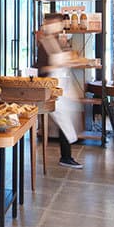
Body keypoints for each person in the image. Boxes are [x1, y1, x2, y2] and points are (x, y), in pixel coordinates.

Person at [36, 13, 81, 168]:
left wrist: (71, 61)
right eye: (54, 22)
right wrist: (55, 66)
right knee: (64, 121)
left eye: (59, 22)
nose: (57, 25)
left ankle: (66, 156)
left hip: (64, 88)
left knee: (67, 121)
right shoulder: (44, 44)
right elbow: (40, 70)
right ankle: (66, 156)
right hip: (53, 90)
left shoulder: (58, 41)